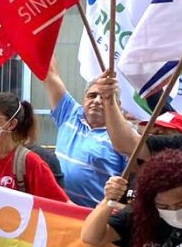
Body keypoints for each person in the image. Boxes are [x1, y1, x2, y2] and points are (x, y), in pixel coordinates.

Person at [45, 59, 128, 206]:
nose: (97, 101)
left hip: (93, 215)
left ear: (118, 105)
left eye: (105, 97)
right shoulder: (69, 112)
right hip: (56, 210)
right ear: (83, 98)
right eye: (92, 95)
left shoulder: (125, 136)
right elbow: (50, 73)